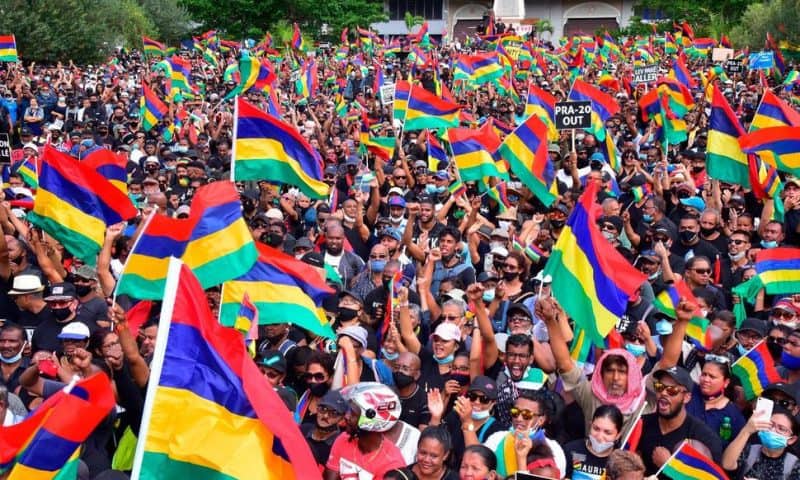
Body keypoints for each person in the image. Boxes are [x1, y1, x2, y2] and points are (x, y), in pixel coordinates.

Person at [637, 366, 723, 475]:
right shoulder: (641, 424)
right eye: (659, 387)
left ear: (686, 397)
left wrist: (669, 466)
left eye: (672, 390)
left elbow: (708, 477)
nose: (663, 393)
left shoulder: (705, 438)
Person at [324, 382, 406, 480]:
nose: (346, 416)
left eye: (353, 413)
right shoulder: (343, 439)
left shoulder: (392, 464)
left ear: (372, 421)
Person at [722, 406, 800, 479]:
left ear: (791, 439)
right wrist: (747, 430)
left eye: (781, 429)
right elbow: (727, 465)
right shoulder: (749, 450)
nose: (773, 430)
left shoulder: (794, 465)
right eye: (770, 424)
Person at [563, 405, 625, 479]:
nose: (599, 437)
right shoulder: (571, 449)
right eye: (596, 429)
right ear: (590, 425)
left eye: (607, 433)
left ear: (618, 435)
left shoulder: (621, 462)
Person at [387, 426, 460, 480]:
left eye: (434, 456)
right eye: (423, 453)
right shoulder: (404, 475)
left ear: (445, 455)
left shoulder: (454, 478)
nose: (426, 460)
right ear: (417, 448)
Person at [302, 389, 347, 470]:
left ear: (342, 418)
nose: (325, 416)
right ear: (317, 408)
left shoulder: (339, 444)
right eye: (323, 409)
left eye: (334, 413)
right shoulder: (303, 430)